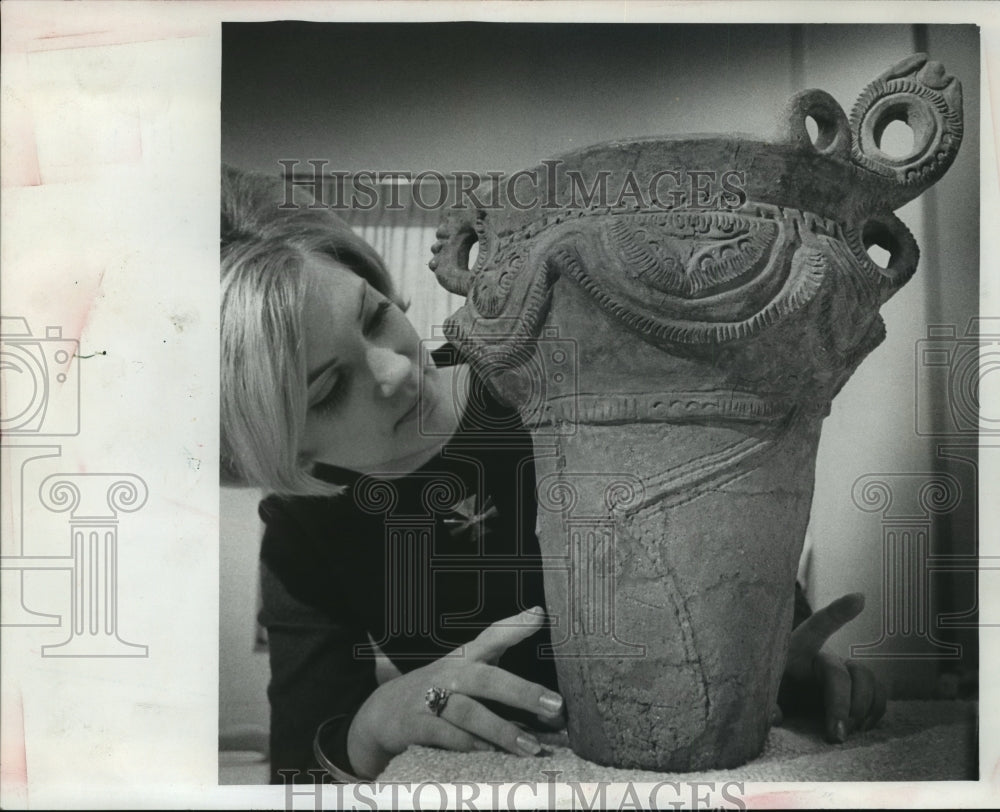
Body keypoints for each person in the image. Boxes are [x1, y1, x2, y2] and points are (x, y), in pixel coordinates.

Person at [220, 165, 887, 784]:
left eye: (374, 315)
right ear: (284, 448)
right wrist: (376, 721)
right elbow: (302, 767)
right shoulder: (302, 526)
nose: (394, 369)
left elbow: (728, 590)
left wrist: (779, 667)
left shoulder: (544, 374)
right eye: (331, 389)